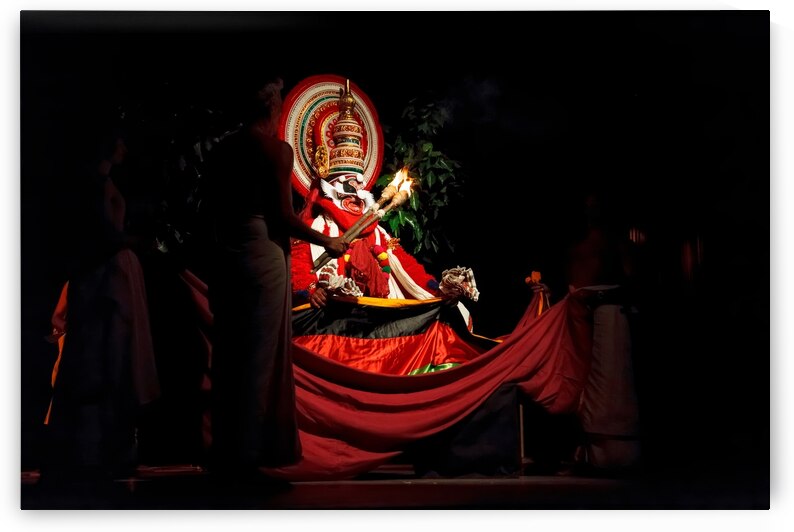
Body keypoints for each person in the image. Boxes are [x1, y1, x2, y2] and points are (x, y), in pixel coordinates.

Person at [205, 77, 348, 481]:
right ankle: (248, 452)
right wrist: (326, 241)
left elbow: (210, 212)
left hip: (228, 253)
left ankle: (228, 447)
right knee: (259, 354)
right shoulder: (276, 151)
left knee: (231, 352)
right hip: (263, 252)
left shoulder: (221, 150)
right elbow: (282, 217)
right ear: (272, 107)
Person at [42, 128, 160, 484]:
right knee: (103, 356)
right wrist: (135, 242)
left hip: (112, 271)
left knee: (112, 356)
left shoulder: (100, 181)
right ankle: (93, 449)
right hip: (105, 274)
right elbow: (100, 234)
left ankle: (106, 447)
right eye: (119, 140)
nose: (124, 146)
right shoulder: (91, 183)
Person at [565, 191, 642, 475]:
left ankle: (618, 455)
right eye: (587, 206)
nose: (590, 211)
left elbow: (633, 283)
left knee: (612, 381)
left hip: (611, 318)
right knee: (587, 381)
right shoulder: (578, 245)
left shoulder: (617, 244)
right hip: (583, 320)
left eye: (595, 205)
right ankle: (591, 453)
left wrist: (599, 297)